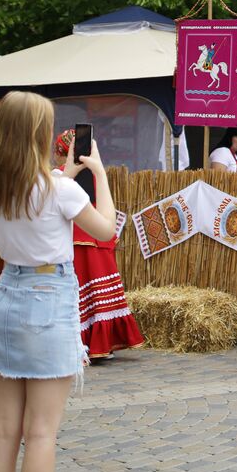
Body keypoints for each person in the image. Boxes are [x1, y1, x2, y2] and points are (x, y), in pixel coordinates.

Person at [0, 91, 117, 472]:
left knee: (2, 432)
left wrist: (63, 178)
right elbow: (105, 230)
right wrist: (96, 173)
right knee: (41, 434)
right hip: (49, 296)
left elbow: (21, 211)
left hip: (7, 295)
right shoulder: (60, 189)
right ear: (41, 133)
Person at [54, 131, 144, 361]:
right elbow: (107, 221)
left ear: (58, 154)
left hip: (73, 240)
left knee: (79, 289)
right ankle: (99, 343)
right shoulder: (93, 176)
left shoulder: (55, 180)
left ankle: (81, 342)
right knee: (95, 290)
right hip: (95, 239)